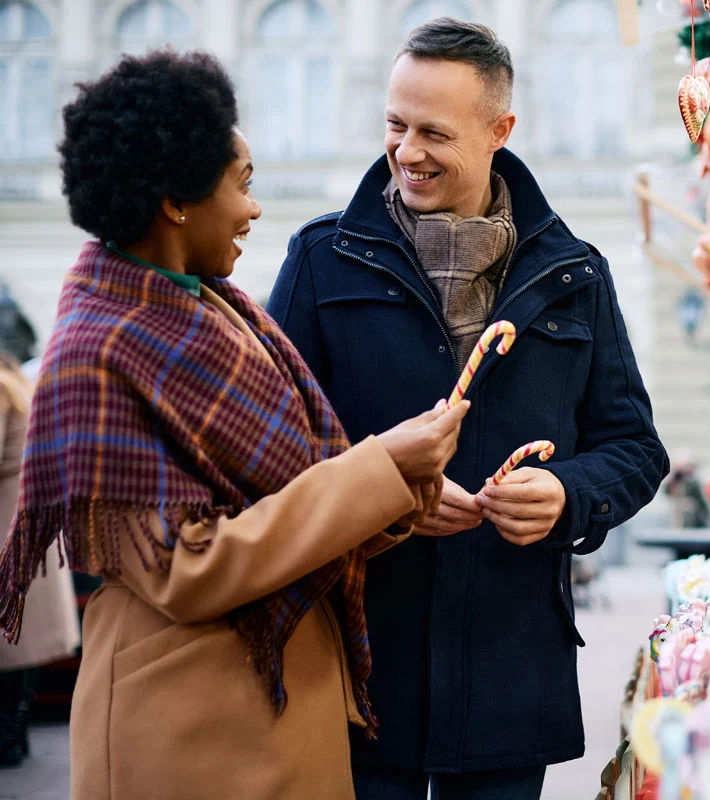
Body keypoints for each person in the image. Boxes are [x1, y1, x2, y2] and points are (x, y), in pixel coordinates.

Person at [0, 50, 469, 799]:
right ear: (177, 199)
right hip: (192, 729)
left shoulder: (212, 303)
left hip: (269, 701)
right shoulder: (97, 346)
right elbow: (184, 569)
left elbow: (291, 490)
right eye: (242, 184)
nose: (254, 210)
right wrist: (379, 469)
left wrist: (399, 492)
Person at [267, 18, 669, 799]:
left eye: (433, 132)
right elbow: (271, 449)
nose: (406, 151)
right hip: (357, 672)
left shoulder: (575, 273)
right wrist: (383, 496)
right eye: (394, 125)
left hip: (510, 673)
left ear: (499, 131)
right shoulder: (321, 260)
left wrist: (568, 497)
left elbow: (635, 449)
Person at [0, 351, 80, 767]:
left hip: (7, 521)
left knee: (9, 643)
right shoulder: (16, 383)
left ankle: (8, 736)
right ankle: (14, 731)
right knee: (19, 643)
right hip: (26, 513)